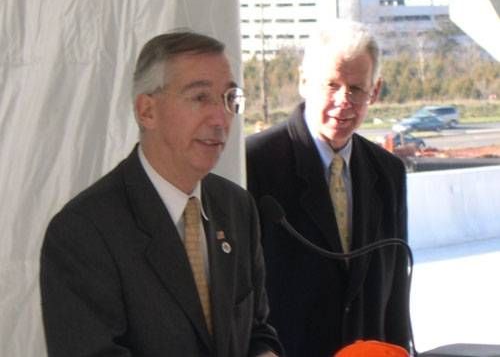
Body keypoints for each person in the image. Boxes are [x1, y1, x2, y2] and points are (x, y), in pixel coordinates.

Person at [40, 31, 283, 357]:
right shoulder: (82, 232)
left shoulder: (237, 207)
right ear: (147, 111)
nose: (220, 118)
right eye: (200, 97)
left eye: (228, 98)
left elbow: (257, 331)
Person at [246, 20, 412, 356]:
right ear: (304, 82)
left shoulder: (388, 171)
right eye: (331, 85)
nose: (343, 101)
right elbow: (242, 295)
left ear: (375, 91)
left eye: (356, 89)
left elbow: (395, 293)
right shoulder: (255, 163)